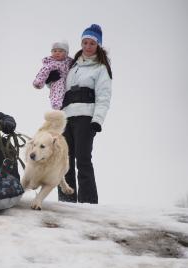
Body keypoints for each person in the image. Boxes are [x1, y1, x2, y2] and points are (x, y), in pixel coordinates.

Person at [57, 24, 112, 204]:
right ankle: (66, 200)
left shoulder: (101, 68)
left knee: (82, 159)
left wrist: (98, 120)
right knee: (64, 159)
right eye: (85, 42)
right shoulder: (72, 65)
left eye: (92, 44)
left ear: (98, 46)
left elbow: (104, 97)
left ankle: (88, 203)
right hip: (66, 117)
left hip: (86, 119)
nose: (88, 47)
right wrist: (51, 81)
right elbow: (59, 89)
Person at [33, 41, 73, 110]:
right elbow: (43, 73)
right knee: (57, 89)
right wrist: (39, 82)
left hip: (68, 84)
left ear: (66, 53)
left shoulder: (70, 62)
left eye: (60, 51)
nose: (57, 53)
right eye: (54, 51)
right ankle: (56, 104)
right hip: (58, 81)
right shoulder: (51, 63)